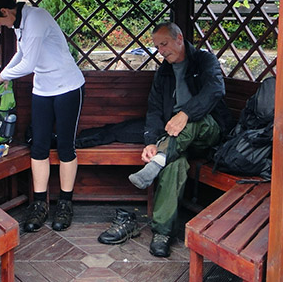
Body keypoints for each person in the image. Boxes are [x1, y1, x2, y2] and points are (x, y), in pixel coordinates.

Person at [97, 22, 231, 257]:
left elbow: (215, 90)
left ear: (179, 38)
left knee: (194, 123)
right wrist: (150, 141)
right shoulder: (164, 72)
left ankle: (160, 157)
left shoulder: (203, 61)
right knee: (174, 165)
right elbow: (154, 110)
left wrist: (186, 113)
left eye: (164, 44)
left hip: (208, 133)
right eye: (157, 46)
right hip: (176, 139)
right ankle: (162, 233)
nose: (161, 50)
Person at [0, 0, 85, 232]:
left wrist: (4, 76)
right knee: (38, 147)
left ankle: (65, 204)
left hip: (68, 87)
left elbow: (28, 64)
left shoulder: (36, 18)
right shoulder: (20, 24)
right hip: (43, 89)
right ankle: (40, 204)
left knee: (66, 147)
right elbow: (22, 54)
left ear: (5, 12)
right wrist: (2, 74)